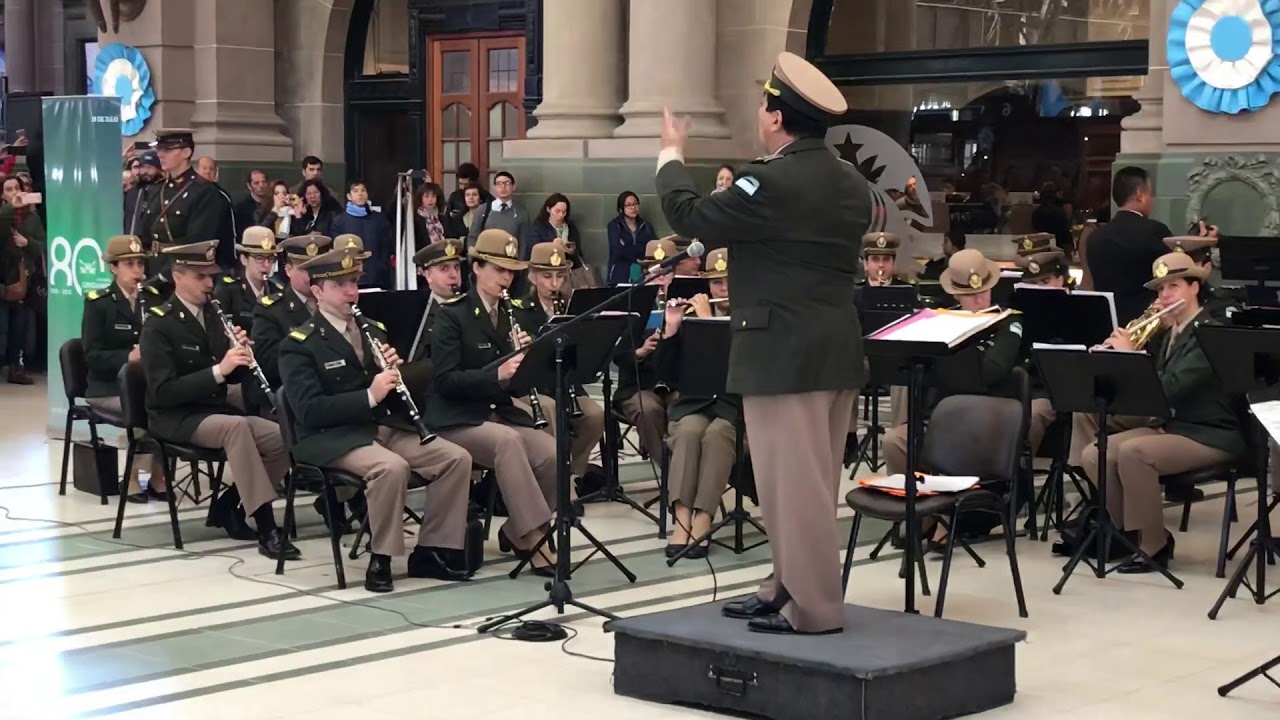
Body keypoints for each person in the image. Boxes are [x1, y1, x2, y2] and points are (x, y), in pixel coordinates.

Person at [656, 52, 869, 634]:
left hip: (784, 354)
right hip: (833, 348)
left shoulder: (772, 180)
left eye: (762, 106)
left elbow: (691, 213)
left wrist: (671, 152)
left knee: (791, 485)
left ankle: (813, 607)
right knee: (810, 483)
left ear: (776, 117)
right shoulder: (851, 181)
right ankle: (783, 587)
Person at [279, 246, 473, 592]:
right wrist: (371, 394)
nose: (351, 292)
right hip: (331, 436)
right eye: (340, 285)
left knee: (455, 458)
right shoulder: (299, 344)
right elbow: (309, 411)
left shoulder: (373, 328)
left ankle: (433, 550)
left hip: (380, 428)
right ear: (317, 290)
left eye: (353, 282)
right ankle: (380, 557)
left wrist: (398, 374)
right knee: (391, 468)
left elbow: (394, 395)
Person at [1073, 252, 1245, 573]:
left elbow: (1168, 389)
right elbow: (1150, 395)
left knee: (1134, 452)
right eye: (1161, 290)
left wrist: (1129, 357)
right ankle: (1130, 532)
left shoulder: (1208, 332)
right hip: (1173, 423)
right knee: (1095, 454)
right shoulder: (1172, 331)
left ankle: (1155, 546)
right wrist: (1113, 361)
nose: (1165, 296)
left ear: (1195, 287)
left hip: (1209, 431)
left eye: (1174, 286)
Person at [138, 241, 298, 559]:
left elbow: (229, 378)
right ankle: (267, 527)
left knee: (281, 438)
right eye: (201, 277)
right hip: (176, 417)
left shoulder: (212, 315)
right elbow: (162, 391)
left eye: (211, 277)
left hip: (214, 411)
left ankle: (228, 505)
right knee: (236, 428)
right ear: (178, 276)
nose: (210, 285)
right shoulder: (159, 323)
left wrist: (240, 359)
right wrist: (218, 370)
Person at [427, 228, 559, 576]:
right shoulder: (452, 315)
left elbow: (516, 381)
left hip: (496, 413)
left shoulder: (510, 312)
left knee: (552, 453)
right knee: (508, 442)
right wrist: (496, 376)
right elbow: (445, 381)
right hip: (456, 418)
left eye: (511, 271)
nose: (506, 278)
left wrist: (526, 359)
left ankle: (515, 530)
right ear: (477, 267)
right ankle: (536, 537)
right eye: (499, 270)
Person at [882, 249, 1027, 547]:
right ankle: (915, 515)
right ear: (956, 294)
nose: (979, 299)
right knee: (895, 441)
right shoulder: (942, 320)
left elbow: (992, 371)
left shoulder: (1009, 322)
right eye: (970, 294)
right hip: (942, 416)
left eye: (984, 291)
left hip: (989, 418)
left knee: (952, 436)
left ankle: (943, 521)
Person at [655, 247, 739, 558]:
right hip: (694, 404)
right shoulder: (691, 317)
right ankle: (682, 518)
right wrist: (672, 330)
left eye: (729, 281)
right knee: (688, 432)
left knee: (717, 435)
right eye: (716, 283)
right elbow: (664, 375)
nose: (723, 289)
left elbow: (735, 371)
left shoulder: (749, 319)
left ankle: (704, 518)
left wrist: (710, 325)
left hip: (733, 409)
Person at [512, 240, 607, 492]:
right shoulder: (519, 310)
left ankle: (571, 474)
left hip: (567, 383)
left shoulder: (572, 308)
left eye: (560, 276)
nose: (554, 283)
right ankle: (551, 481)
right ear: (532, 276)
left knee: (595, 415)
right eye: (546, 276)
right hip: (537, 387)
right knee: (550, 410)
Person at [81, 235, 166, 503]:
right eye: (129, 264)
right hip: (106, 387)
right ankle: (131, 478)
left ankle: (158, 475)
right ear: (113, 268)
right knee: (143, 406)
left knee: (167, 402)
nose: (138, 271)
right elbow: (92, 356)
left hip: (148, 385)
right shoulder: (99, 303)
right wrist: (127, 357)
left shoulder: (152, 300)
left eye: (140, 264)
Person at [1086, 167, 1197, 325]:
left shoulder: (1095, 237)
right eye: (1150, 194)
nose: (1152, 200)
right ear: (1140, 194)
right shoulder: (1154, 231)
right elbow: (1178, 269)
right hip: (1147, 325)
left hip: (1106, 323)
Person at [613, 238, 679, 466]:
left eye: (666, 272)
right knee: (648, 408)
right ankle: (669, 472)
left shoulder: (684, 304)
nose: (660, 278)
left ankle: (686, 467)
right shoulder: (632, 304)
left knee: (684, 404)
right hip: (638, 387)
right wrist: (640, 352)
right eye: (654, 272)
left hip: (675, 384)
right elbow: (617, 356)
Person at [136, 130, 234, 281]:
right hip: (152, 270)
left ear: (186, 152)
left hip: (186, 276)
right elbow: (145, 235)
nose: (160, 155)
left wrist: (162, 277)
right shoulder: (157, 190)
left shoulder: (205, 192)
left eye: (167, 150)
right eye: (159, 149)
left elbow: (197, 243)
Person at [214, 227, 284, 332]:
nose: (266, 265)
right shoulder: (228, 291)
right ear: (244, 259)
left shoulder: (278, 292)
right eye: (259, 258)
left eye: (270, 259)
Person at [328, 181, 393, 290]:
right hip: (349, 278)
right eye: (355, 191)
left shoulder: (379, 219)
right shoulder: (339, 221)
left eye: (363, 190)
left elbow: (386, 246)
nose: (360, 194)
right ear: (349, 196)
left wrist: (381, 266)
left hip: (376, 278)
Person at [1163, 235, 1242, 321]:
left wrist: (1174, 324)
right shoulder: (1164, 299)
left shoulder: (1222, 303)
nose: (1182, 275)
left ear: (1207, 268)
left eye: (1190, 268)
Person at [466, 171, 531, 257]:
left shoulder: (521, 212)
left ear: (513, 187)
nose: (503, 187)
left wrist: (521, 266)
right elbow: (473, 238)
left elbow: (524, 243)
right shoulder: (483, 210)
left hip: (511, 261)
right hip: (487, 261)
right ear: (494, 187)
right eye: (499, 184)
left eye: (507, 183)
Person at [606, 191, 657, 285]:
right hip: (621, 272)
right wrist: (637, 257)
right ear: (621, 209)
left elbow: (652, 247)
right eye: (628, 205)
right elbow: (618, 249)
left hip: (642, 271)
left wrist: (627, 246)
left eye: (635, 204)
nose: (633, 208)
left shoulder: (646, 226)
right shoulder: (615, 225)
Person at [1033, 182, 1074, 259]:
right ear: (1057, 194)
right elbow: (1065, 230)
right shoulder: (1063, 209)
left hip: (1040, 248)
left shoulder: (1037, 210)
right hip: (1061, 246)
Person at [234, 170, 271, 243]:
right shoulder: (241, 207)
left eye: (264, 182)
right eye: (256, 183)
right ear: (249, 186)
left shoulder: (273, 203)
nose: (261, 186)